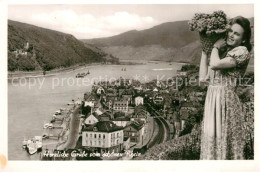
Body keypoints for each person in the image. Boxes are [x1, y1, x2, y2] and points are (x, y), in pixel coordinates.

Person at [199, 16, 252, 160]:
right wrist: (205, 51)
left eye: (237, 33)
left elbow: (215, 64)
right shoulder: (221, 54)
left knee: (225, 147)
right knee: (212, 148)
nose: (231, 35)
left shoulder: (242, 51)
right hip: (212, 103)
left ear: (244, 39)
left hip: (226, 104)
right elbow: (202, 81)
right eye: (230, 31)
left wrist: (215, 47)